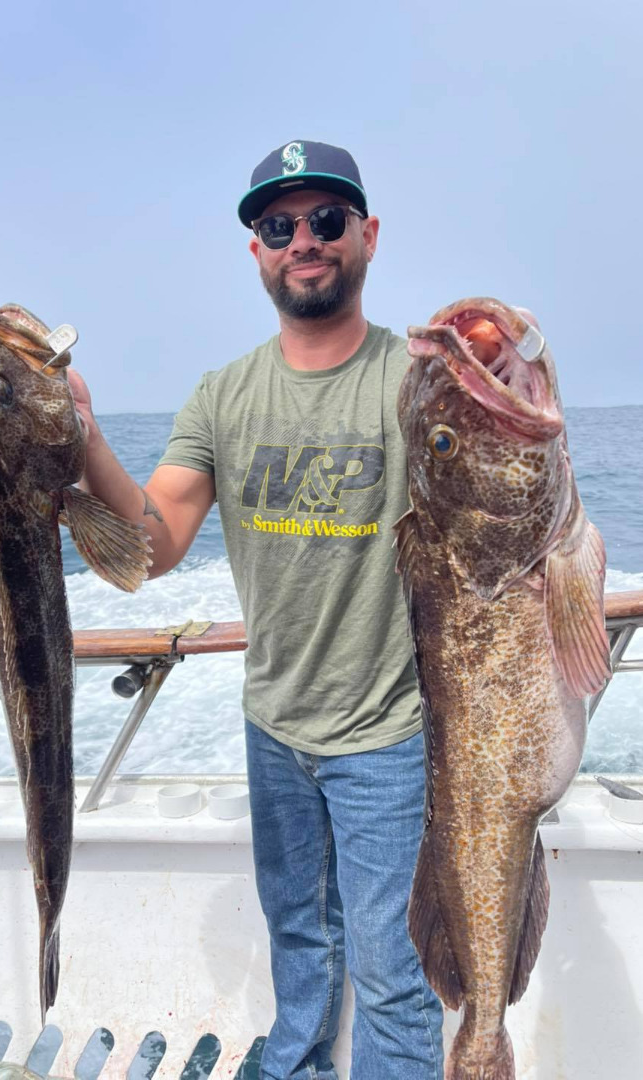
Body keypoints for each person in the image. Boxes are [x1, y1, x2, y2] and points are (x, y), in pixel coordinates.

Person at [70, 140, 445, 1080]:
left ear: (367, 236)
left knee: (394, 973)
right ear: (256, 251)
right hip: (272, 727)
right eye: (279, 226)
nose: (304, 241)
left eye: (326, 221)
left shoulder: (417, 382)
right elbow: (154, 545)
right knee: (299, 949)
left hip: (391, 734)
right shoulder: (222, 394)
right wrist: (80, 440)